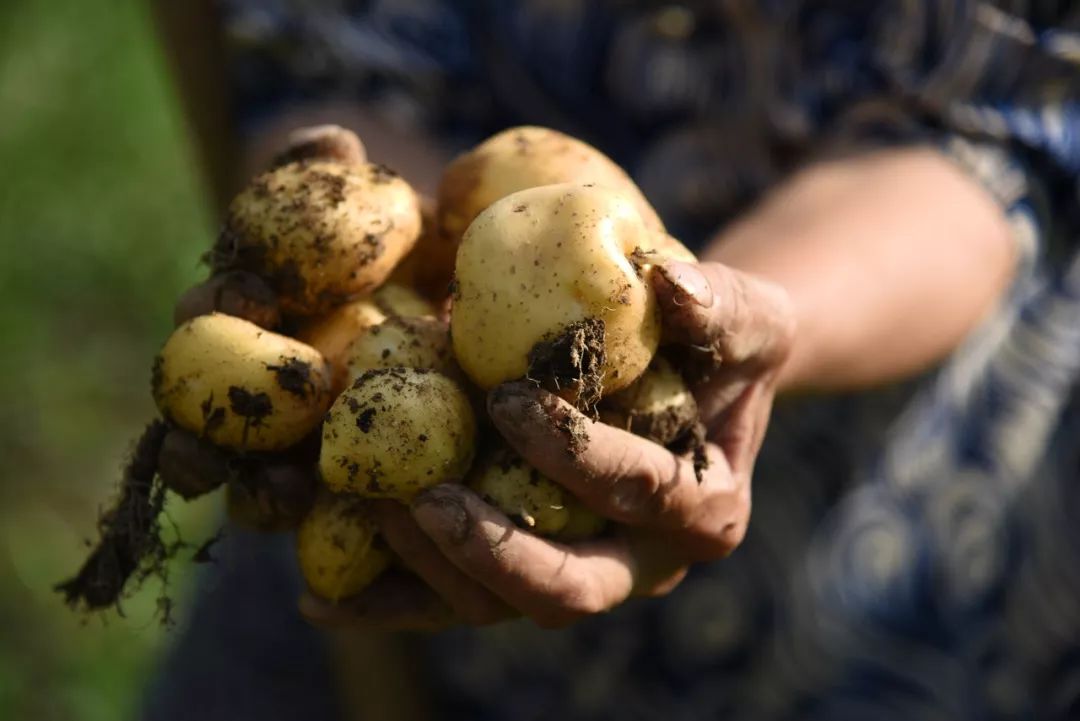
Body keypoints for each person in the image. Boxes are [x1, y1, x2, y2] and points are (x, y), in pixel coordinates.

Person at [143, 2, 1080, 720]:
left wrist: (749, 316)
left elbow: (1000, 120)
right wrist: (348, 235)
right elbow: (325, 50)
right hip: (368, 552)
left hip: (877, 562)